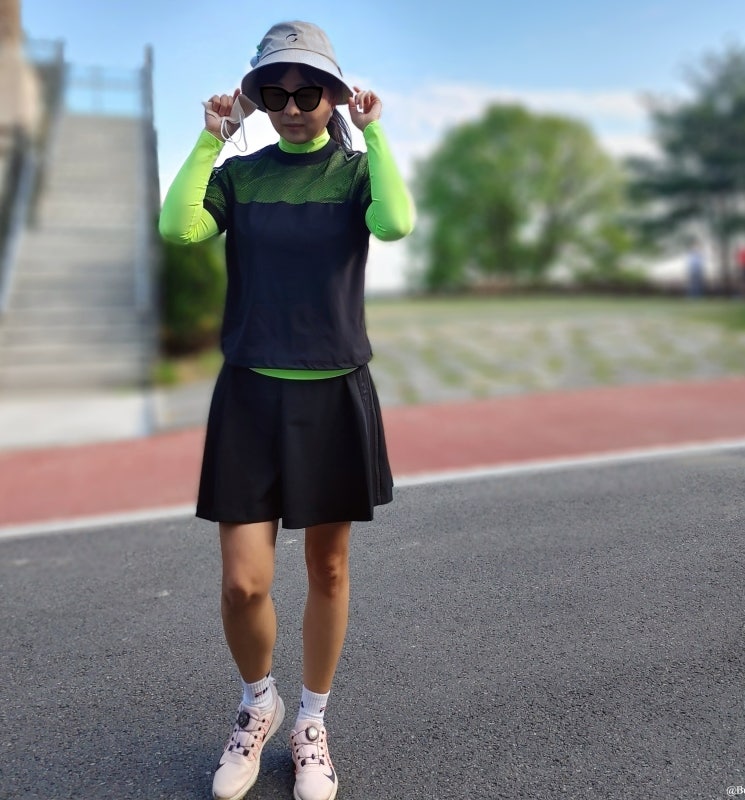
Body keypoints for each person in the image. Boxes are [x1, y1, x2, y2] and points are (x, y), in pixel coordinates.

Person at [159, 20, 414, 800]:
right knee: (243, 583)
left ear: (334, 95)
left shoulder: (355, 173)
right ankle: (257, 703)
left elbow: (395, 222)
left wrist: (376, 134)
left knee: (327, 568)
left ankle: (311, 721)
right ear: (260, 99)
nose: (293, 108)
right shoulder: (241, 174)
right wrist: (211, 138)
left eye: (308, 93)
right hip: (250, 394)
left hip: (332, 391)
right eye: (276, 93)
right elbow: (179, 226)